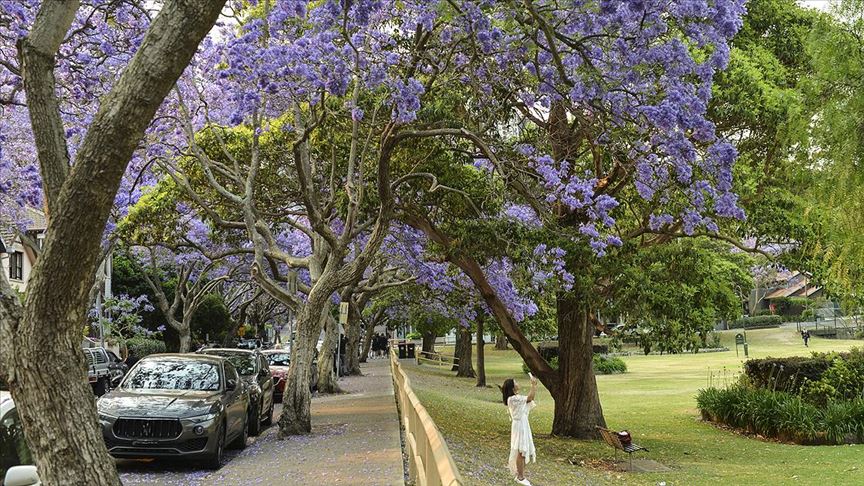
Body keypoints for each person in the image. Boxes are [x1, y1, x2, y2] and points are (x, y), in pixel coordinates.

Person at [502, 375, 537, 486]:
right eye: (515, 382)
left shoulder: (516, 398)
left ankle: (521, 475)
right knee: (521, 451)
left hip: (522, 424)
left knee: (523, 450)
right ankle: (520, 477)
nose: (517, 383)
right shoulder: (513, 399)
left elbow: (528, 400)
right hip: (519, 426)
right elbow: (530, 398)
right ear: (512, 388)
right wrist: (533, 385)